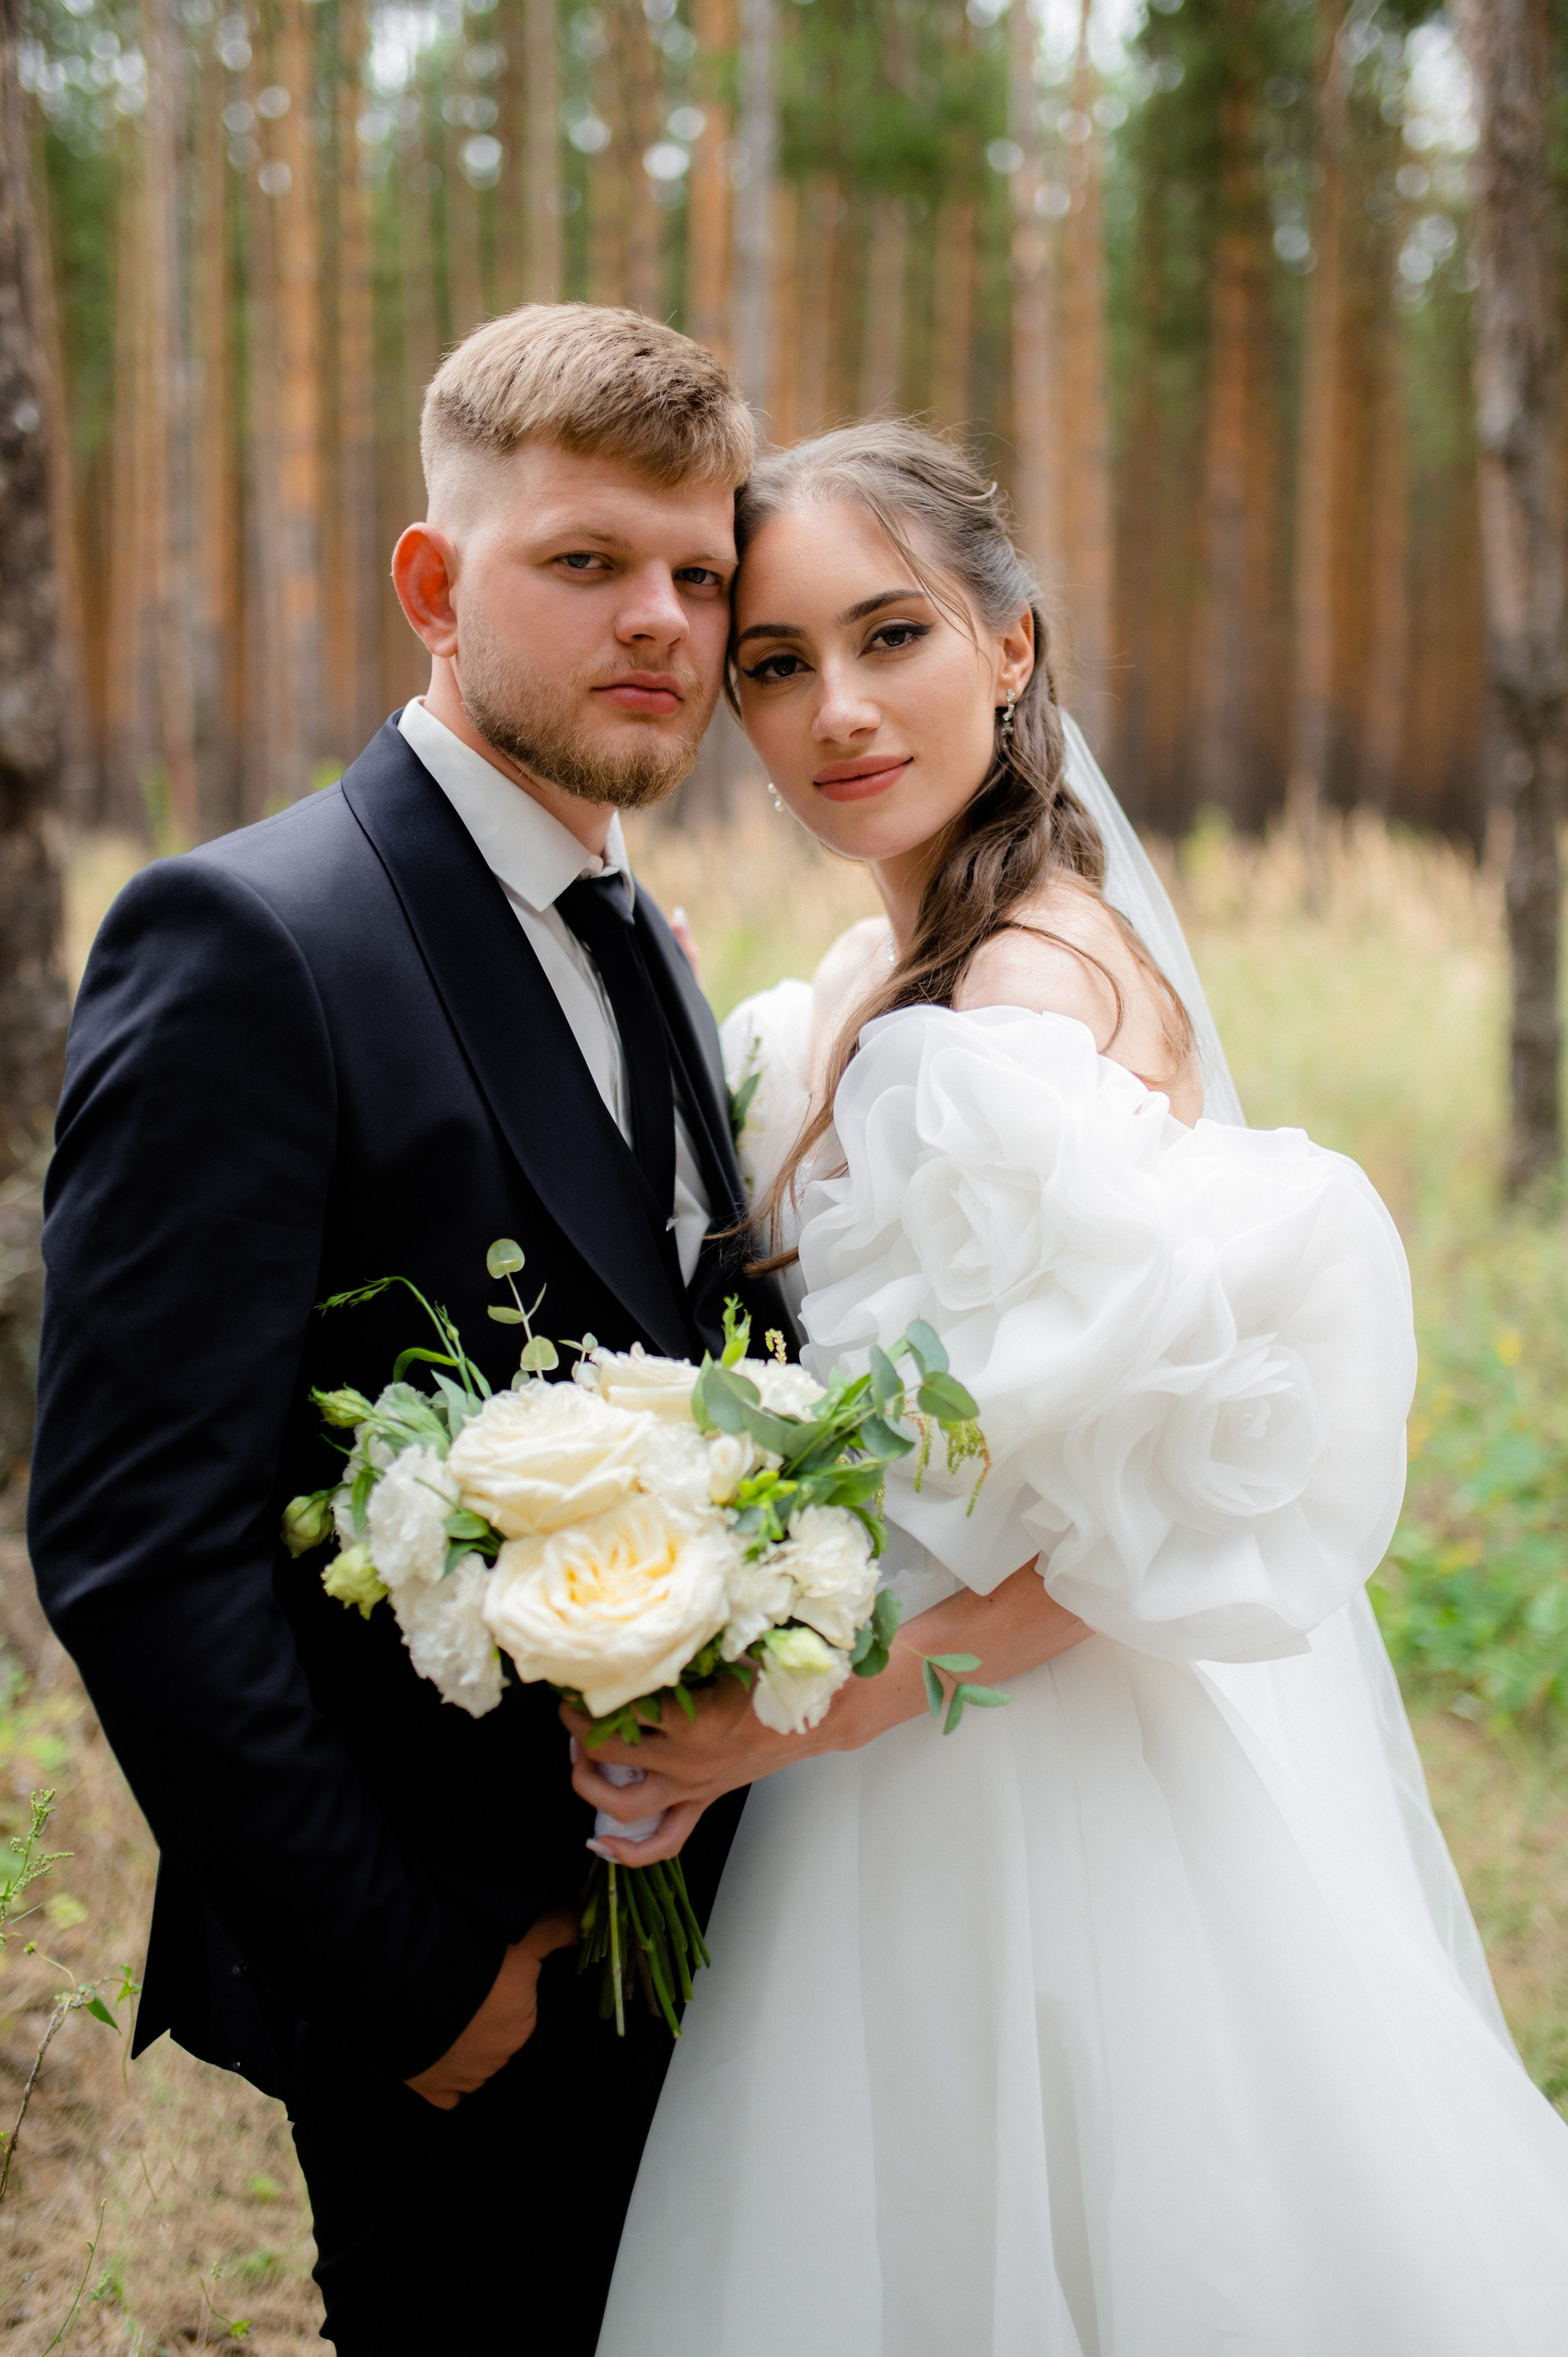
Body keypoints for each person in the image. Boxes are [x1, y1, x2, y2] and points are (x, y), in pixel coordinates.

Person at [579, 423, 1568, 2355]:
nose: (838, 713)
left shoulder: (1020, 1009)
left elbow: (1146, 1529)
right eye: (776, 666)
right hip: (901, 1755)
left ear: (1013, 648)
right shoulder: (876, 989)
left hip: (1024, 1784)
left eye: (895, 638)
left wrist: (832, 1717)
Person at [26, 303, 790, 2356]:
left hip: (706, 1953)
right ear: (434, 585)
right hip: (465, 1987)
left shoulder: (645, 941)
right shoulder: (252, 940)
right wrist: (417, 1987)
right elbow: (132, 1544)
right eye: (588, 562)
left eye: (701, 576)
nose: (663, 620)